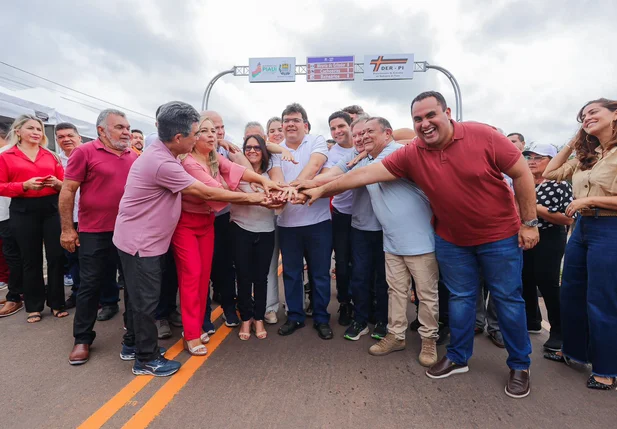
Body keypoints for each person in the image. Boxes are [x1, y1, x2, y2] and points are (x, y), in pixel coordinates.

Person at [302, 92, 538, 399]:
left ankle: (520, 365)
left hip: (498, 236)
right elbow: (360, 175)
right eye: (418, 119)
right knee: (461, 299)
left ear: (448, 112)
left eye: (430, 115)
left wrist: (529, 223)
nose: (425, 124)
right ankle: (458, 357)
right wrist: (314, 190)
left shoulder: (482, 134)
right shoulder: (412, 152)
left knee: (507, 299)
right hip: (452, 239)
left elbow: (521, 173)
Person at [113, 101, 272, 376]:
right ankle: (147, 359)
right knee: (145, 301)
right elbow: (208, 193)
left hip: (146, 237)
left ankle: (132, 346)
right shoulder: (165, 163)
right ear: (179, 137)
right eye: (196, 133)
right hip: (141, 241)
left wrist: (263, 182)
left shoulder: (166, 154)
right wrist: (257, 197)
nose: (201, 137)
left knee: (142, 297)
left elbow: (228, 169)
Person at [300, 117, 439, 366]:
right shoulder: (362, 156)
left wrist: (319, 190)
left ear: (387, 134)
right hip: (392, 240)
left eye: (369, 132)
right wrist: (300, 184)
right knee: (396, 291)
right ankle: (396, 335)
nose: (362, 137)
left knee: (426, 294)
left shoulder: (397, 153)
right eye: (359, 134)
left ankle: (429, 340)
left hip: (418, 239)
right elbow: (334, 174)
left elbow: (356, 177)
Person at [172, 117, 280, 354]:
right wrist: (259, 197)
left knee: (202, 278)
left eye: (214, 131)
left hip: (207, 222)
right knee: (191, 276)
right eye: (205, 131)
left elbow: (235, 170)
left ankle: (198, 325)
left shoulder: (213, 157)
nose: (212, 135)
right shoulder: (189, 162)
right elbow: (216, 191)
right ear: (193, 136)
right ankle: (190, 334)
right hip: (186, 225)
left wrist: (263, 180)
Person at [543, 98, 617, 390]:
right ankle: (574, 351)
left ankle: (607, 369)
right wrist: (575, 140)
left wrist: (589, 199)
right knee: (571, 292)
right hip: (583, 228)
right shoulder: (588, 155)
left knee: (603, 299)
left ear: (615, 115)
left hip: (610, 228)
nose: (586, 118)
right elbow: (549, 172)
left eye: (593, 112)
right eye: (583, 116)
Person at [61, 110, 139, 365]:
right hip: (94, 231)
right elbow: (68, 191)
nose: (126, 132)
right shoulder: (84, 152)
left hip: (127, 230)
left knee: (131, 283)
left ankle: (133, 332)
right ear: (101, 130)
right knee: (90, 285)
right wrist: (67, 229)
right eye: (120, 127)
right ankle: (82, 339)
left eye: (128, 127)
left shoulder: (133, 156)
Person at [269, 102, 334, 340]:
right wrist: (284, 189)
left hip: (318, 223)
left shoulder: (316, 140)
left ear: (305, 125)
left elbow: (314, 166)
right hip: (287, 225)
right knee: (292, 274)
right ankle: (295, 316)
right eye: (286, 121)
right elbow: (275, 175)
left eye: (295, 120)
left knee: (320, 274)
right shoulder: (277, 149)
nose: (290, 124)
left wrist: (292, 188)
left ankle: (321, 318)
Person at [0, 114, 67, 323]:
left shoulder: (51, 156)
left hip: (51, 207)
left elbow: (65, 183)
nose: (36, 133)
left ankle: (57, 303)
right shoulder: (6, 156)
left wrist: (57, 183)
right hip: (23, 209)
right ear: (18, 131)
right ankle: (34, 306)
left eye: (39, 129)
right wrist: (23, 186)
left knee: (56, 257)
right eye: (31, 128)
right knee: (31, 259)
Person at [519, 143, 573, 353]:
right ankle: (532, 321)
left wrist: (532, 206)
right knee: (526, 279)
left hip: (549, 236)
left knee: (548, 283)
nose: (531, 161)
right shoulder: (523, 181)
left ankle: (559, 332)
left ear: (551, 161)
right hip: (525, 236)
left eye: (539, 157)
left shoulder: (559, 184)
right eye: (529, 157)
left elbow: (566, 219)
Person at [231, 135, 278, 340]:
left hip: (266, 230)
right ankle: (246, 318)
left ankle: (259, 318)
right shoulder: (236, 173)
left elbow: (279, 200)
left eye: (257, 147)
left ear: (264, 151)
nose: (252, 151)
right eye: (248, 147)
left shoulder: (271, 174)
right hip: (241, 229)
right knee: (243, 276)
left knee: (261, 278)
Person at [325, 111, 356, 326]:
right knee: (343, 263)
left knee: (365, 263)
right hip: (341, 214)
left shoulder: (365, 145)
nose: (337, 131)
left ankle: (367, 303)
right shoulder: (331, 154)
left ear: (351, 126)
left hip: (367, 215)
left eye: (341, 126)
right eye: (333, 128)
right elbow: (328, 176)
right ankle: (345, 303)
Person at [55, 123, 82, 309]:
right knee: (73, 258)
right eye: (61, 137)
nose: (66, 139)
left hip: (90, 217)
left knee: (99, 261)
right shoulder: (55, 161)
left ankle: (107, 299)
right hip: (68, 216)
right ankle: (78, 293)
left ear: (79, 137)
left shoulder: (90, 155)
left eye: (70, 135)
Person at [0, 123, 24, 318]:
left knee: (14, 256)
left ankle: (15, 296)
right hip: (5, 215)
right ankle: (18, 291)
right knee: (12, 256)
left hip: (11, 214)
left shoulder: (9, 153)